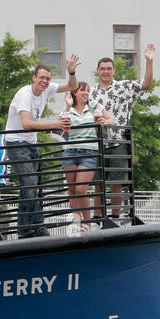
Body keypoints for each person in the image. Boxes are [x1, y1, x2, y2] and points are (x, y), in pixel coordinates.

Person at [4, 56, 80, 238]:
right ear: (33, 78)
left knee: (32, 187)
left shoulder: (47, 90)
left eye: (47, 78)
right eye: (41, 78)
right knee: (29, 185)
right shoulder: (24, 94)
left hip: (31, 143)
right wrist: (56, 124)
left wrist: (71, 72)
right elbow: (26, 123)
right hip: (16, 142)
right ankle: (28, 229)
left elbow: (72, 86)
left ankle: (33, 226)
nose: (45, 82)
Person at [87, 45, 156, 221]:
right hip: (96, 141)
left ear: (114, 70)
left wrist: (149, 61)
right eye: (102, 69)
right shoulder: (90, 92)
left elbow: (146, 83)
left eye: (109, 68)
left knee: (116, 182)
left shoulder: (124, 87)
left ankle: (115, 216)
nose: (105, 72)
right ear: (97, 71)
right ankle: (97, 217)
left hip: (118, 140)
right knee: (97, 183)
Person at [61, 81, 113, 231]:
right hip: (71, 151)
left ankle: (88, 223)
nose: (86, 93)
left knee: (80, 189)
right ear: (74, 92)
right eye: (82, 90)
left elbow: (111, 120)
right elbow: (63, 125)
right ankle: (78, 223)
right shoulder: (68, 108)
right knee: (72, 190)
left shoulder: (94, 106)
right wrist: (67, 106)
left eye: (88, 90)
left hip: (89, 151)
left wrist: (104, 121)